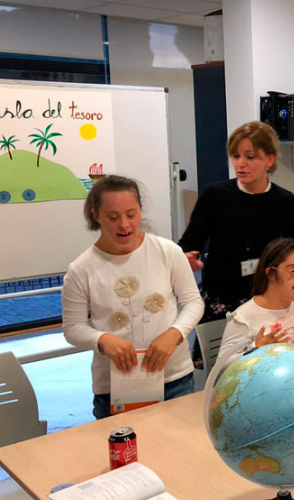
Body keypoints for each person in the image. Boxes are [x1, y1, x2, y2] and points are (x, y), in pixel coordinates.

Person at [62, 175, 204, 419]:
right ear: (96, 216)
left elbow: (193, 302)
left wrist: (174, 334)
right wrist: (102, 339)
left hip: (174, 378)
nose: (124, 225)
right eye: (113, 217)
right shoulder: (81, 269)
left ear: (141, 209)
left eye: (131, 214)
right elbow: (72, 328)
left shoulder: (167, 251)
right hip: (116, 386)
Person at [179, 121, 294, 323]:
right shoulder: (215, 195)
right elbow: (189, 243)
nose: (240, 163)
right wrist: (185, 258)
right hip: (221, 298)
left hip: (269, 299)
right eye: (236, 156)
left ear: (269, 159)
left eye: (250, 157)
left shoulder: (286, 201)